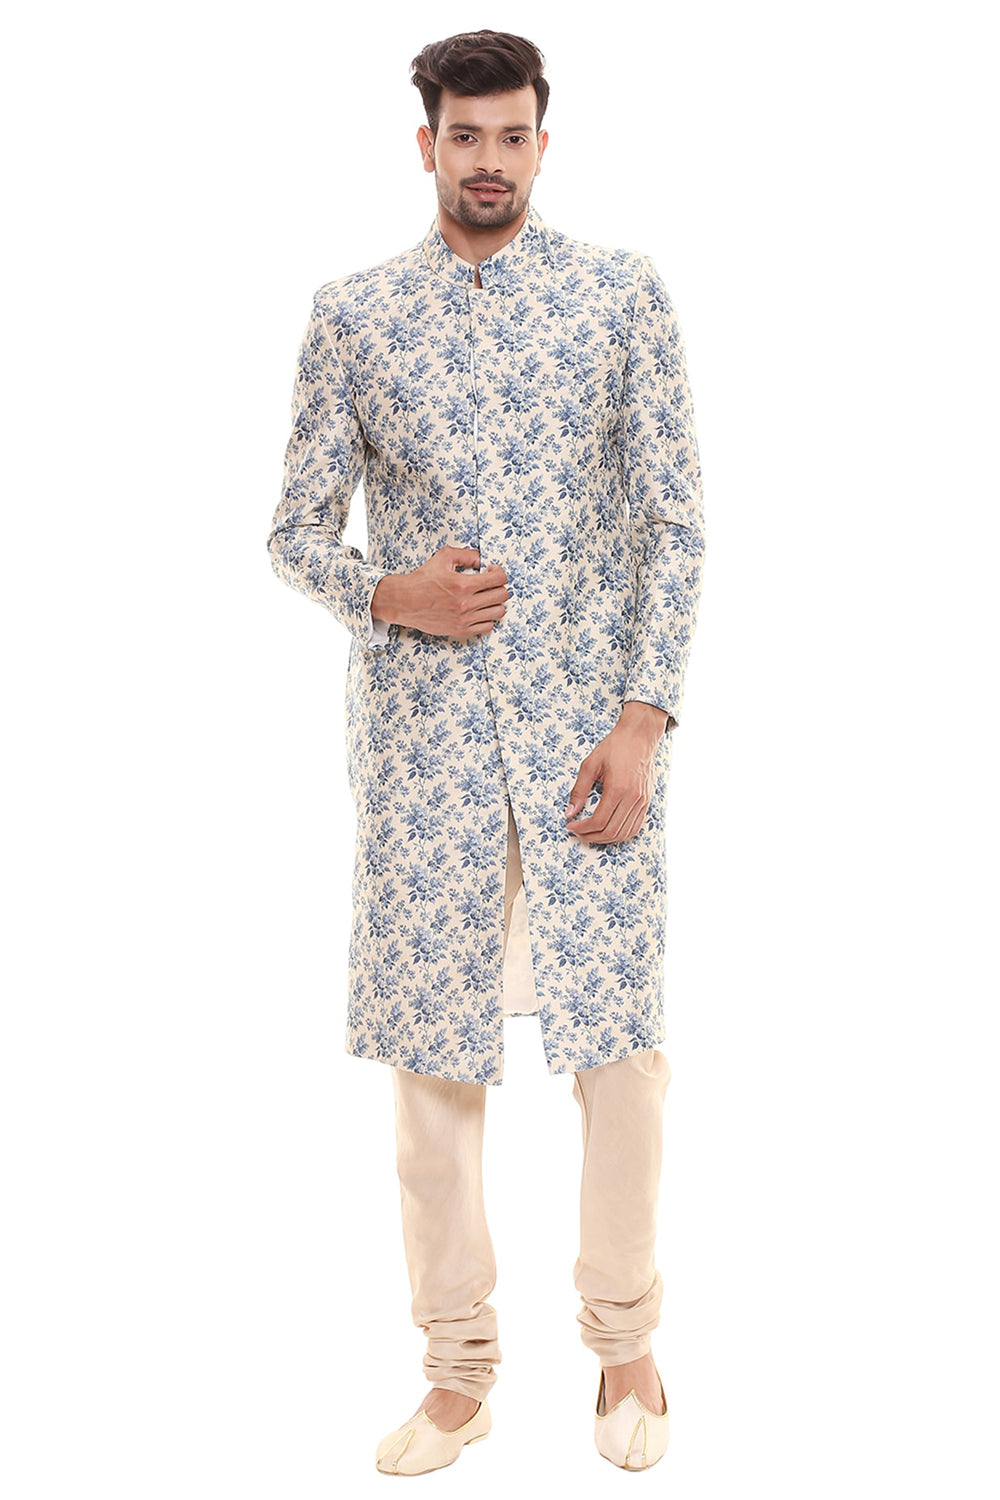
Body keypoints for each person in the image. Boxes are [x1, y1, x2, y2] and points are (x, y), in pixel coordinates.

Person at [266, 28, 706, 1475]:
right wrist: (385, 593)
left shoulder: (619, 296)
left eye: (514, 135)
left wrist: (643, 718)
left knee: (621, 1056)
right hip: (423, 756)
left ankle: (626, 1347)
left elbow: (675, 524)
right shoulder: (354, 316)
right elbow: (292, 533)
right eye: (467, 136)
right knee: (431, 1075)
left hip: (590, 745)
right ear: (428, 146)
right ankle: (457, 1375)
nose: (491, 160)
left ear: (541, 143)